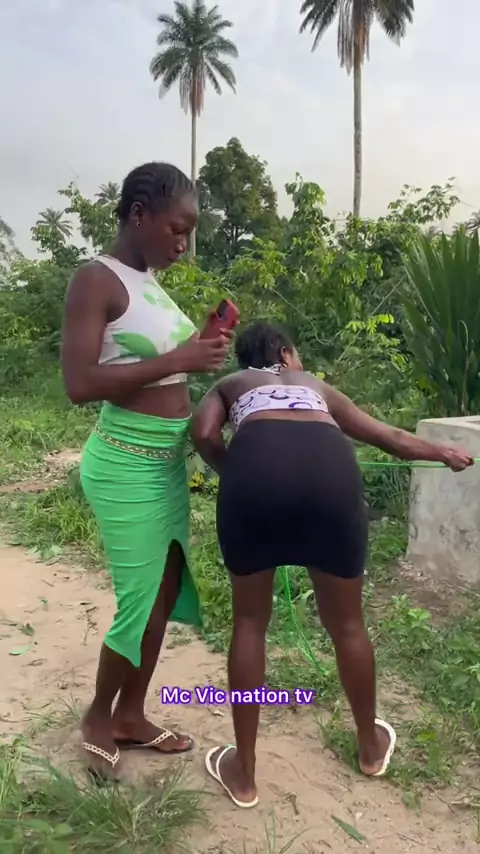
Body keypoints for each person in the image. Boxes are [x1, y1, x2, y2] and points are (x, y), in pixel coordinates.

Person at [191, 321, 474, 808]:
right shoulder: (315, 386)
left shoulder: (230, 384)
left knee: (250, 624)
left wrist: (238, 472)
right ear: (286, 354)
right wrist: (444, 452)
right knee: (348, 625)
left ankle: (245, 773)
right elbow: (387, 435)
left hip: (252, 482)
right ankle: (369, 747)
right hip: (332, 479)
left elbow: (202, 432)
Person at [61, 162, 233, 780]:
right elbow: (79, 383)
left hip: (164, 466)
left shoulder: (151, 283)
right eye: (176, 229)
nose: (183, 243)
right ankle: (97, 719)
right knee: (139, 600)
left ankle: (131, 714)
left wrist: (200, 347)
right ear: (138, 215)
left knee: (165, 592)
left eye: (190, 232)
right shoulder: (95, 280)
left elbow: (165, 363)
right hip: (124, 465)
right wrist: (180, 355)